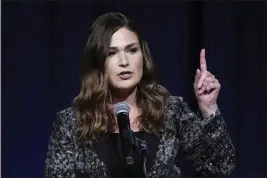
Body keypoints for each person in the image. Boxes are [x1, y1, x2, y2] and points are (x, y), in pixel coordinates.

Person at [44, 12, 236, 178]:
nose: (124, 61)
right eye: (112, 53)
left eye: (132, 50)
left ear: (143, 55)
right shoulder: (72, 123)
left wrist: (208, 108)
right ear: (98, 62)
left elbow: (220, 167)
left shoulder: (170, 111)